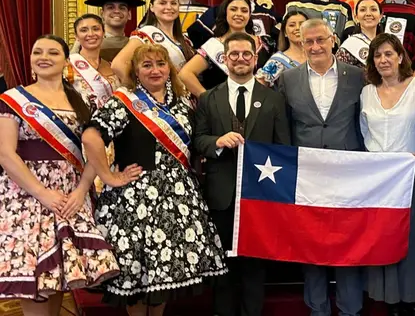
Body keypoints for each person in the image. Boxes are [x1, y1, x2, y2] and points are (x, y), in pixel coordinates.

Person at [82, 44, 227, 315]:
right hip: (136, 200)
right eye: (147, 65)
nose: (155, 70)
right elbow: (91, 137)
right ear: (136, 71)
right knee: (137, 281)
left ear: (169, 68)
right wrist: (109, 176)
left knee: (164, 279)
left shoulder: (182, 104)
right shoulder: (124, 100)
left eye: (160, 64)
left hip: (179, 200)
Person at [0, 35, 119, 312]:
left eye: (53, 52)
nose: (43, 57)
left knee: (59, 280)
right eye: (37, 51)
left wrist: (81, 192)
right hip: (28, 196)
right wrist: (43, 194)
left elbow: (95, 152)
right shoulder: (13, 98)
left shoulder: (82, 102)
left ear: (66, 61)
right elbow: (6, 154)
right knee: (36, 288)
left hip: (70, 196)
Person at [194, 32, 290, 316]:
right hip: (221, 196)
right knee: (223, 269)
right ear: (224, 59)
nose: (240, 59)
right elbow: (197, 140)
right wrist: (217, 142)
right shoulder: (208, 99)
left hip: (260, 196)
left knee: (253, 268)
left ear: (255, 58)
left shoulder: (273, 99)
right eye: (233, 54)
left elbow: (283, 148)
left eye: (246, 54)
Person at [276, 19, 366, 316]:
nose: (315, 46)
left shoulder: (357, 76)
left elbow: (363, 122)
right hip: (308, 176)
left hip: (349, 172)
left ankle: (350, 310)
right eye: (308, 42)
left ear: (333, 40)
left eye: (320, 40)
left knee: (348, 245)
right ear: (301, 44)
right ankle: (318, 310)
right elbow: (285, 127)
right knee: (311, 245)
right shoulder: (287, 79)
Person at [360, 34, 415, 315]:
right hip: (378, 181)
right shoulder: (367, 92)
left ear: (401, 57)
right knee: (384, 239)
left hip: (412, 178)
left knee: (412, 240)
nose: (383, 60)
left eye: (389, 54)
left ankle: (414, 301)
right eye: (377, 56)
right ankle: (390, 301)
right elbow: (364, 131)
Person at [179, 0, 269, 97]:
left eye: (244, 10)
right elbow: (185, 74)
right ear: (225, 12)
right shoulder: (212, 46)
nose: (239, 14)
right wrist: (207, 100)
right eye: (233, 9)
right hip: (224, 110)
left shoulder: (266, 42)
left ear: (249, 15)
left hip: (261, 107)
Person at [112, 0, 195, 84]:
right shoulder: (145, 34)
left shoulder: (186, 40)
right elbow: (118, 65)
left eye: (173, 3)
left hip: (185, 96)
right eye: (162, 3)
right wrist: (140, 91)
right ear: (151, 7)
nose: (169, 7)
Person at [65, 14, 120, 109]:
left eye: (96, 29)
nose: (90, 34)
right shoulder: (66, 65)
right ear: (76, 36)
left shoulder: (113, 67)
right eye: (84, 30)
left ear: (103, 33)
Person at [76, 0, 146, 61]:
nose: (117, 11)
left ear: (129, 14)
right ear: (102, 13)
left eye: (122, 8)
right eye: (110, 7)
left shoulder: (136, 44)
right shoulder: (84, 44)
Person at [256, 10, 308, 87]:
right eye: (292, 25)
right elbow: (258, 86)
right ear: (285, 33)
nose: (297, 28)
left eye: (302, 24)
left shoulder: (318, 56)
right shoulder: (278, 60)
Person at [336, 0, 384, 68]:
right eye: (363, 10)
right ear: (356, 17)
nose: (368, 14)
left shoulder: (388, 43)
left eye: (373, 9)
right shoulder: (350, 45)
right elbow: (339, 73)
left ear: (380, 16)